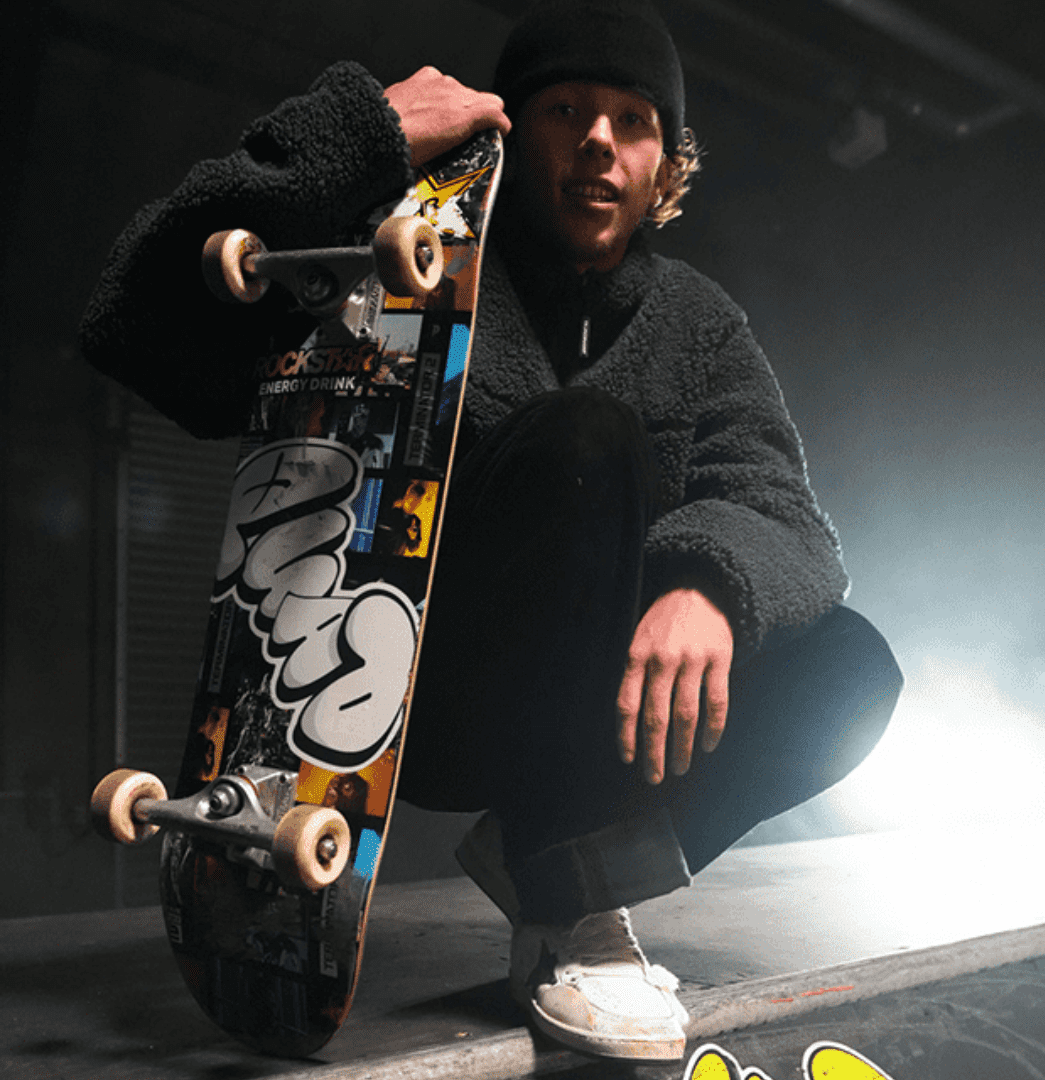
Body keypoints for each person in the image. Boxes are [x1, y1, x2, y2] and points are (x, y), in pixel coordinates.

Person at [80, 0, 902, 1062]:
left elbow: (784, 511)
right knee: (585, 438)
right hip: (413, 693)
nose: (599, 140)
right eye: (566, 110)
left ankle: (565, 885)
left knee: (849, 668)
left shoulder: (698, 324)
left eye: (633, 121)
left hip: (603, 720)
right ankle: (571, 909)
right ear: (512, 130)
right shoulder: (391, 257)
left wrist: (707, 584)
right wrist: (363, 132)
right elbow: (136, 317)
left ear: (664, 164)